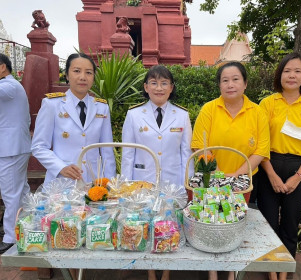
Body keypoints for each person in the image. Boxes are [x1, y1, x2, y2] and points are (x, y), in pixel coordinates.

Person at [191, 61, 270, 280]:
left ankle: (232, 273)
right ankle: (213, 273)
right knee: (210, 223)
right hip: (211, 180)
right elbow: (200, 144)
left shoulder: (257, 112)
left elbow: (261, 150)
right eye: (225, 80)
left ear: (245, 83)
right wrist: (216, 173)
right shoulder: (209, 109)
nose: (230, 84)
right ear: (219, 85)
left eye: (235, 79)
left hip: (241, 182)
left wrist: (236, 174)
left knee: (234, 224)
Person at [121, 65, 193, 280]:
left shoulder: (182, 115)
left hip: (173, 184)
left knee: (170, 226)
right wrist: (126, 186)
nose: (159, 88)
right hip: (142, 183)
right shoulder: (133, 115)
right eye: (153, 83)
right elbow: (128, 153)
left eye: (164, 83)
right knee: (146, 225)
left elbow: (186, 155)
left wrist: (187, 187)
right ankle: (151, 271)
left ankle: (167, 271)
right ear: (146, 87)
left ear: (171, 88)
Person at [257, 52, 301, 280]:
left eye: (297, 71)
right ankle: (271, 272)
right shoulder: (267, 103)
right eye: (287, 71)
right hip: (269, 165)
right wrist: (272, 175)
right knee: (268, 223)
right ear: (280, 75)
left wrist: (297, 176)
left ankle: (284, 273)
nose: (292, 75)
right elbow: (260, 144)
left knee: (290, 223)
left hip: (298, 166)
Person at [31, 53, 116, 185]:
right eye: (77, 71)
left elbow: (107, 150)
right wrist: (61, 167)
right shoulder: (52, 104)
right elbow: (39, 146)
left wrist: (109, 183)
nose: (83, 77)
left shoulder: (101, 107)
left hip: (94, 182)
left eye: (88, 72)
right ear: (66, 75)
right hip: (62, 182)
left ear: (94, 77)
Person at [0, 53, 31, 254]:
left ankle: (11, 236)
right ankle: (29, 225)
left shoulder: (9, 87)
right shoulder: (10, 87)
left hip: (11, 149)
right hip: (13, 147)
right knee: (21, 191)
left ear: (2, 67)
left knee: (10, 193)